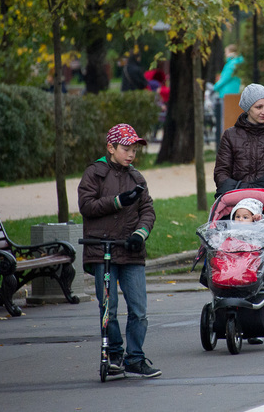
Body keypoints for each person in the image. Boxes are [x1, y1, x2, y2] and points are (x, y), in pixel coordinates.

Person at [78, 123, 161, 378]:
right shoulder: (95, 173)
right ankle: (113, 354)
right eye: (126, 149)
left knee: (139, 309)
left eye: (134, 150)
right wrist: (117, 202)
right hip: (102, 250)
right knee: (109, 307)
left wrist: (140, 234)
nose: (131, 154)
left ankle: (134, 357)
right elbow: (86, 205)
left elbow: (148, 210)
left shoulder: (136, 177)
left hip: (130, 250)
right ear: (111, 148)